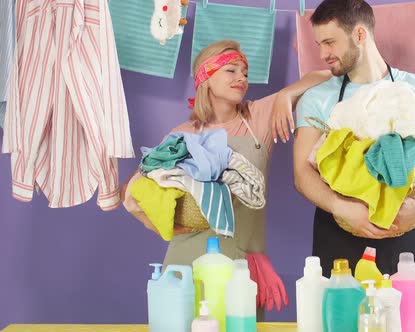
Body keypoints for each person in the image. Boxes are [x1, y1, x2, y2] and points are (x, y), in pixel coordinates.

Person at [275, 0, 415, 321]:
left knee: (411, 323)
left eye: (330, 42)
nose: (322, 54)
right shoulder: (317, 99)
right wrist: (342, 207)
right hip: (338, 232)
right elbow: (302, 173)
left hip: (405, 232)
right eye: (319, 44)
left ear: (360, 34)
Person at [121, 40, 331, 312]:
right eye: (231, 70)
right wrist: (158, 223)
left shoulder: (257, 118)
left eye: (244, 71)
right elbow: (135, 190)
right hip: (185, 268)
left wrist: (284, 96)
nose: (242, 77)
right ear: (205, 77)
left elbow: (322, 77)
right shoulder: (182, 134)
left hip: (240, 269)